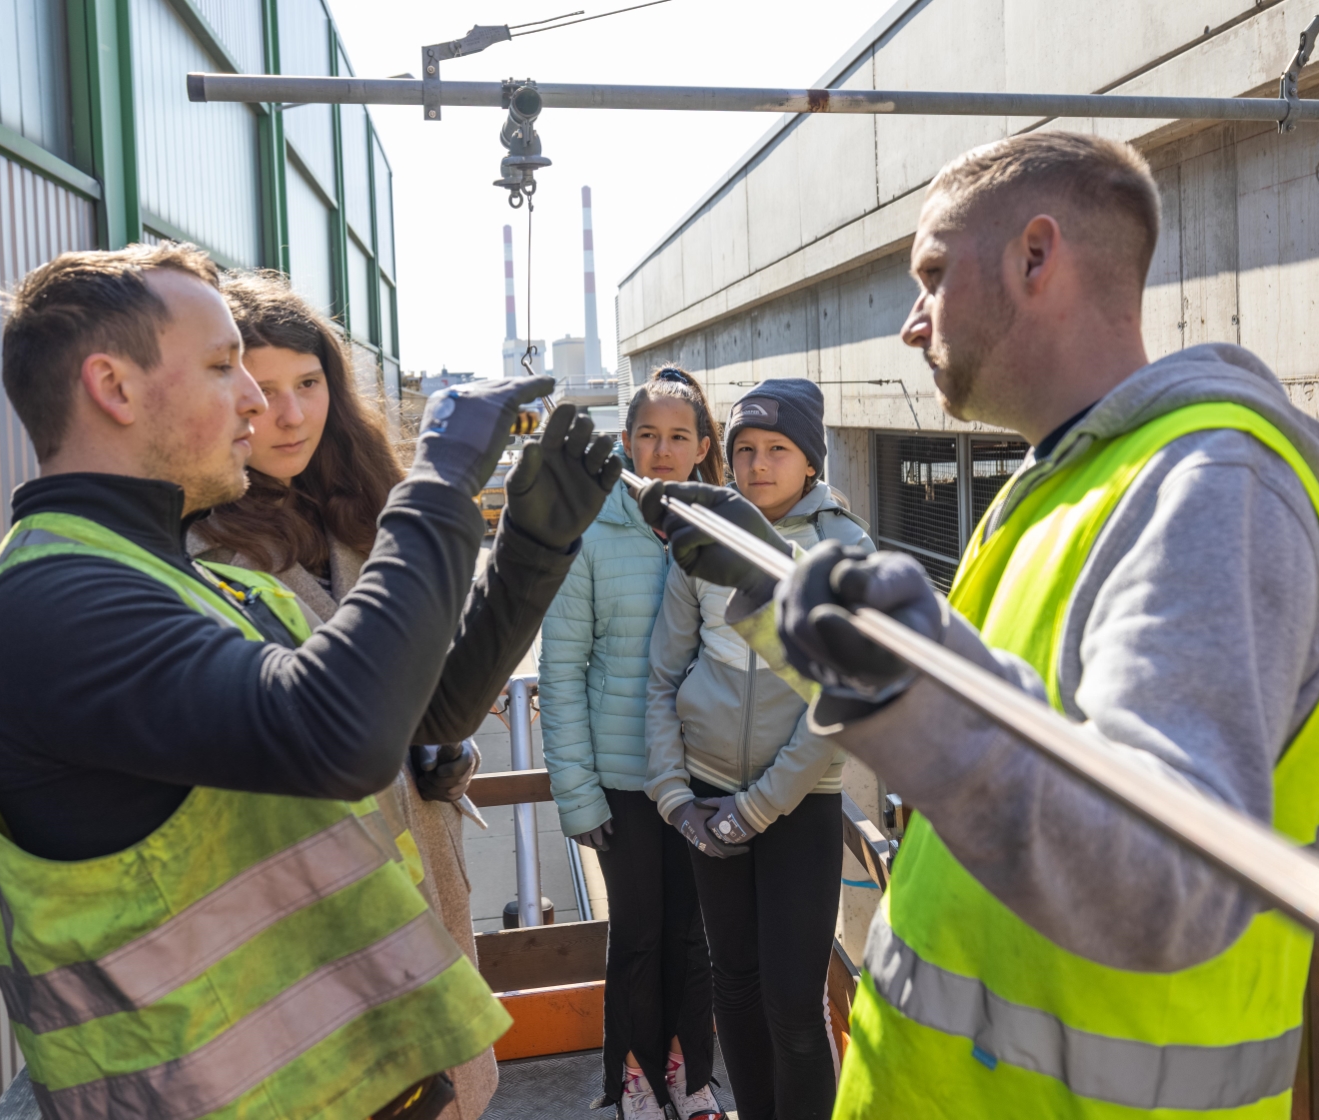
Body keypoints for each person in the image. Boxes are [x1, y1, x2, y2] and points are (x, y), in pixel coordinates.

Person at [649, 132, 1319, 1119]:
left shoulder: (1210, 488)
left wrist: (902, 684)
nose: (910, 322)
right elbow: (991, 736)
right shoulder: (1053, 488)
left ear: (1035, 257)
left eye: (932, 274)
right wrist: (769, 589)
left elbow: (1164, 882)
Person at [0, 243, 620, 1119]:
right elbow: (337, 734)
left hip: (361, 1074)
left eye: (294, 381)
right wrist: (442, 478)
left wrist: (530, 545)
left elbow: (408, 710)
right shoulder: (51, 604)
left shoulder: (205, 584)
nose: (261, 402)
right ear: (114, 388)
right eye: (227, 367)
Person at [187, 271, 525, 1119]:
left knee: (451, 1085)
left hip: (419, 864)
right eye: (263, 392)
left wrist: (443, 745)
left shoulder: (367, 507)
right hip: (315, 903)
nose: (292, 416)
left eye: (309, 385)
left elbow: (426, 689)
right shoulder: (199, 549)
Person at [643, 378, 872, 1120]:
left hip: (799, 805)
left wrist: (756, 808)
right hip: (706, 799)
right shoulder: (702, 540)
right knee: (732, 986)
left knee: (793, 1002)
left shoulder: (843, 547)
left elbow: (838, 699)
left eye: (778, 449)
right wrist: (675, 798)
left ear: (811, 460)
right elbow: (661, 675)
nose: (756, 464)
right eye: (743, 449)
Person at [538, 367, 728, 1120]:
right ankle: (633, 1083)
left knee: (697, 940)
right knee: (640, 938)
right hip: (623, 781)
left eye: (678, 436)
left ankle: (695, 1079)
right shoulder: (592, 538)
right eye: (647, 435)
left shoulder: (724, 531)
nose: (661, 450)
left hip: (709, 773)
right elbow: (560, 672)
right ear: (625, 444)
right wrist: (577, 795)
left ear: (702, 446)